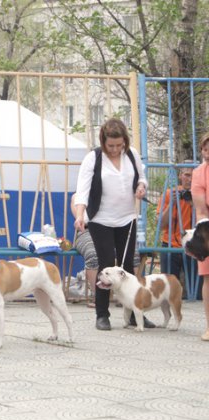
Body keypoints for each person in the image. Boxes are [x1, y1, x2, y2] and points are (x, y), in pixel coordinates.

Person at [73, 118, 148, 331]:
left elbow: (142, 178)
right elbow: (82, 191)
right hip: (101, 219)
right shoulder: (93, 158)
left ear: (125, 141)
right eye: (111, 145)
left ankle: (135, 313)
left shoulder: (132, 154)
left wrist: (141, 188)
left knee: (127, 267)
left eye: (119, 145)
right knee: (106, 264)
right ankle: (102, 314)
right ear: (103, 142)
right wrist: (80, 215)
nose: (115, 149)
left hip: (127, 217)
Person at [157, 162, 195, 281]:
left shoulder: (201, 195)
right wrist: (172, 204)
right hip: (170, 245)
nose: (190, 179)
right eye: (187, 175)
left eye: (194, 176)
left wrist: (194, 204)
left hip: (194, 246)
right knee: (168, 289)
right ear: (180, 175)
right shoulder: (169, 194)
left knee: (197, 292)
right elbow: (160, 225)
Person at [190, 132, 209, 340]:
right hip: (207, 228)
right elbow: (201, 208)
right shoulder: (199, 173)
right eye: (205, 148)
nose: (207, 151)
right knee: (208, 277)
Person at [70, 194, 98, 307]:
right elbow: (82, 221)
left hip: (112, 230)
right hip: (86, 231)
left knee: (133, 252)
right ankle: (97, 296)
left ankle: (133, 296)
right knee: (92, 253)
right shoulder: (77, 196)